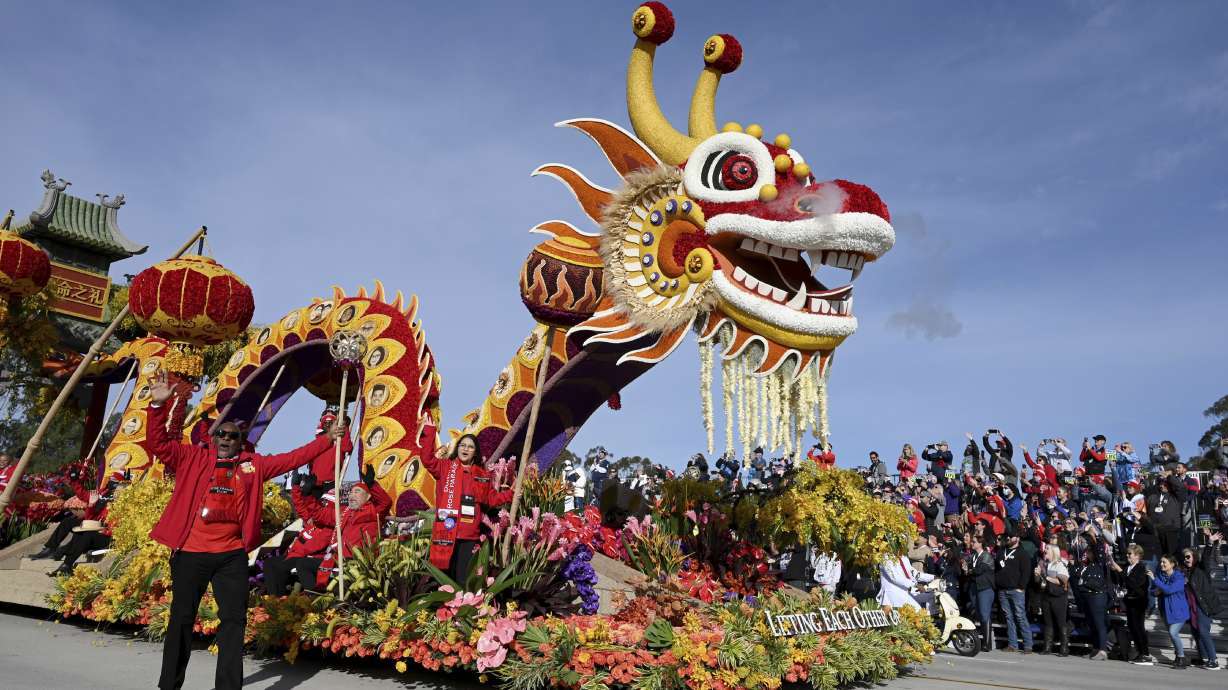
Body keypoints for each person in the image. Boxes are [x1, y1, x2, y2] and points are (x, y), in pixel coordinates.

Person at [146, 370, 345, 690]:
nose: (226, 439)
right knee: (181, 619)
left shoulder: (255, 465)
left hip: (230, 557)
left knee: (234, 622)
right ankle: (169, 685)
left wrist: (327, 439)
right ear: (213, 438)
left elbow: (294, 458)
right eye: (221, 434)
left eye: (233, 436)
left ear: (241, 441)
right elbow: (158, 443)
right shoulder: (192, 457)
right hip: (191, 554)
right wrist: (157, 407)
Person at [425, 434, 513, 578]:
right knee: (443, 580)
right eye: (463, 445)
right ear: (457, 448)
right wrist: (429, 431)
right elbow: (427, 459)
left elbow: (491, 499)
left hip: (469, 535)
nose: (465, 449)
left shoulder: (482, 475)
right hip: (446, 532)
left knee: (463, 579)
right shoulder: (444, 467)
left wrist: (512, 494)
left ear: (475, 452)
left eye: (470, 447)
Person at [262, 472, 337, 595]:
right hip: (295, 554)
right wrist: (296, 487)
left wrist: (295, 549)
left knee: (277, 566)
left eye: (324, 505)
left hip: (305, 558)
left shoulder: (329, 527)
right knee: (269, 563)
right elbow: (300, 506)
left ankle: (278, 596)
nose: (320, 506)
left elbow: (313, 546)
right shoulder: (314, 520)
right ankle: (275, 597)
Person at [1178, 547, 1222, 670]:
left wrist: (1209, 544)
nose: (1186, 559)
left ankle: (1214, 660)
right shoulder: (1184, 572)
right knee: (1195, 632)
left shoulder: (1201, 569)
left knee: (1203, 632)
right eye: (1184, 557)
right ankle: (1203, 658)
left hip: (1203, 606)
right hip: (1191, 607)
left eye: (1188, 556)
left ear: (1194, 557)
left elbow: (1206, 558)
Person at [1114, 544, 1154, 665]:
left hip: (1138, 601)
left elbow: (1135, 585)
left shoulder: (1141, 568)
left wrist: (1120, 571)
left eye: (1130, 554)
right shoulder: (1128, 567)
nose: (1127, 555)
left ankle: (1145, 654)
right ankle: (1140, 652)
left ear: (1137, 556)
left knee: (1138, 627)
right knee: (1132, 627)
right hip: (1130, 601)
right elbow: (1124, 581)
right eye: (1127, 553)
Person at [1073, 533, 1110, 660]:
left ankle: (1103, 650)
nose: (1080, 543)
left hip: (1097, 596)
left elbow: (1098, 548)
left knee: (1099, 624)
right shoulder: (1085, 564)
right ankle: (1096, 649)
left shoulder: (1098, 560)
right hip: (1087, 596)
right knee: (1092, 624)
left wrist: (1093, 536)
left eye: (1083, 541)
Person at [995, 528, 1033, 653]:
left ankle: (1028, 645)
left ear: (1017, 538)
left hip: (1016, 590)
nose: (1008, 538)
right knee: (1009, 617)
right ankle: (1012, 644)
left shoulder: (1022, 553)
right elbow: (997, 567)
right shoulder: (1002, 551)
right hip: (1003, 589)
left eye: (1011, 536)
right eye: (1007, 536)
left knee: (1020, 616)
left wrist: (1021, 587)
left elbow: (1026, 572)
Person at [1150, 554, 1191, 669]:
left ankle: (1182, 658)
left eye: (1164, 562)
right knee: (1172, 635)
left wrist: (1155, 580)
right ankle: (1178, 656)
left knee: (1173, 633)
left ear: (1172, 564)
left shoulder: (1179, 577)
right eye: (1161, 562)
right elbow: (1152, 591)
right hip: (1166, 611)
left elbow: (1169, 590)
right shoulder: (1161, 575)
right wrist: (1155, 591)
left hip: (1179, 611)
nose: (1161, 564)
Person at [1035, 544, 1070, 656]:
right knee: (1048, 623)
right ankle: (1047, 647)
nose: (1044, 550)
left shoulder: (1059, 564)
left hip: (1058, 597)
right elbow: (1038, 581)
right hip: (1046, 596)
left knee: (1061, 623)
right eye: (1045, 549)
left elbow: (1063, 581)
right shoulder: (1044, 564)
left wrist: (1046, 577)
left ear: (1054, 552)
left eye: (1047, 549)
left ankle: (1064, 648)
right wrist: (1037, 575)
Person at [965, 534, 996, 652]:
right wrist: (968, 569)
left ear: (980, 543)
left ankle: (987, 643)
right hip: (975, 587)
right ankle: (982, 640)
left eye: (974, 542)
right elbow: (968, 568)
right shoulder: (973, 556)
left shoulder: (986, 556)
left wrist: (969, 570)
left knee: (984, 614)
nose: (972, 543)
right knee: (978, 613)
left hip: (985, 588)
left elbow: (979, 570)